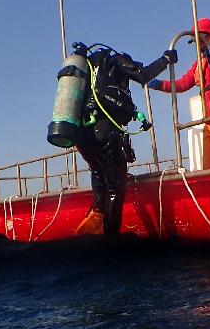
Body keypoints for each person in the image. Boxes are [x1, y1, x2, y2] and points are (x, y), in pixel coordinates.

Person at [71, 43, 177, 238]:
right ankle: (110, 242)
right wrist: (166, 59)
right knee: (115, 188)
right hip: (105, 132)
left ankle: (95, 221)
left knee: (98, 171)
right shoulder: (118, 60)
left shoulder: (90, 69)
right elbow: (143, 74)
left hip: (82, 136)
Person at [147, 18, 210, 169]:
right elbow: (182, 84)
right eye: (196, 42)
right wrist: (157, 84)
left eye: (200, 41)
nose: (198, 46)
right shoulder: (199, 63)